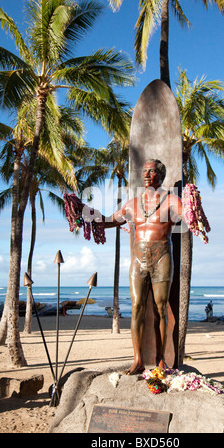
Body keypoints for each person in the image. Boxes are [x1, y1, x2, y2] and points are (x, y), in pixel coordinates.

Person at [87, 159, 188, 375]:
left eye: (151, 171)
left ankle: (161, 359)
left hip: (162, 256)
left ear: (161, 175)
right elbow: (110, 220)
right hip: (138, 259)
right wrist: (87, 216)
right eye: (145, 171)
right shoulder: (132, 203)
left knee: (161, 309)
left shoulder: (171, 200)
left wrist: (193, 207)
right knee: (136, 308)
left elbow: (188, 216)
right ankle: (137, 360)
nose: (147, 175)